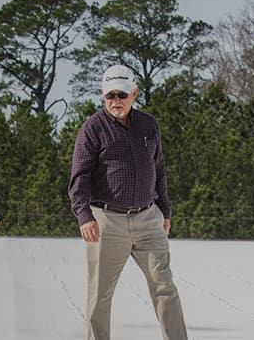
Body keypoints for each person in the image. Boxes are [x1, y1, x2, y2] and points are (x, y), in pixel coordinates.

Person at [68, 64, 187, 340]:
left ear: (134, 93)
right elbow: (78, 179)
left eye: (121, 94)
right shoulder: (92, 129)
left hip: (148, 218)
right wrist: (84, 216)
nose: (115, 101)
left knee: (164, 286)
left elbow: (159, 168)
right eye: (110, 95)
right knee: (100, 295)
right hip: (107, 222)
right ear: (102, 95)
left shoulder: (148, 124)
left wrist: (165, 209)